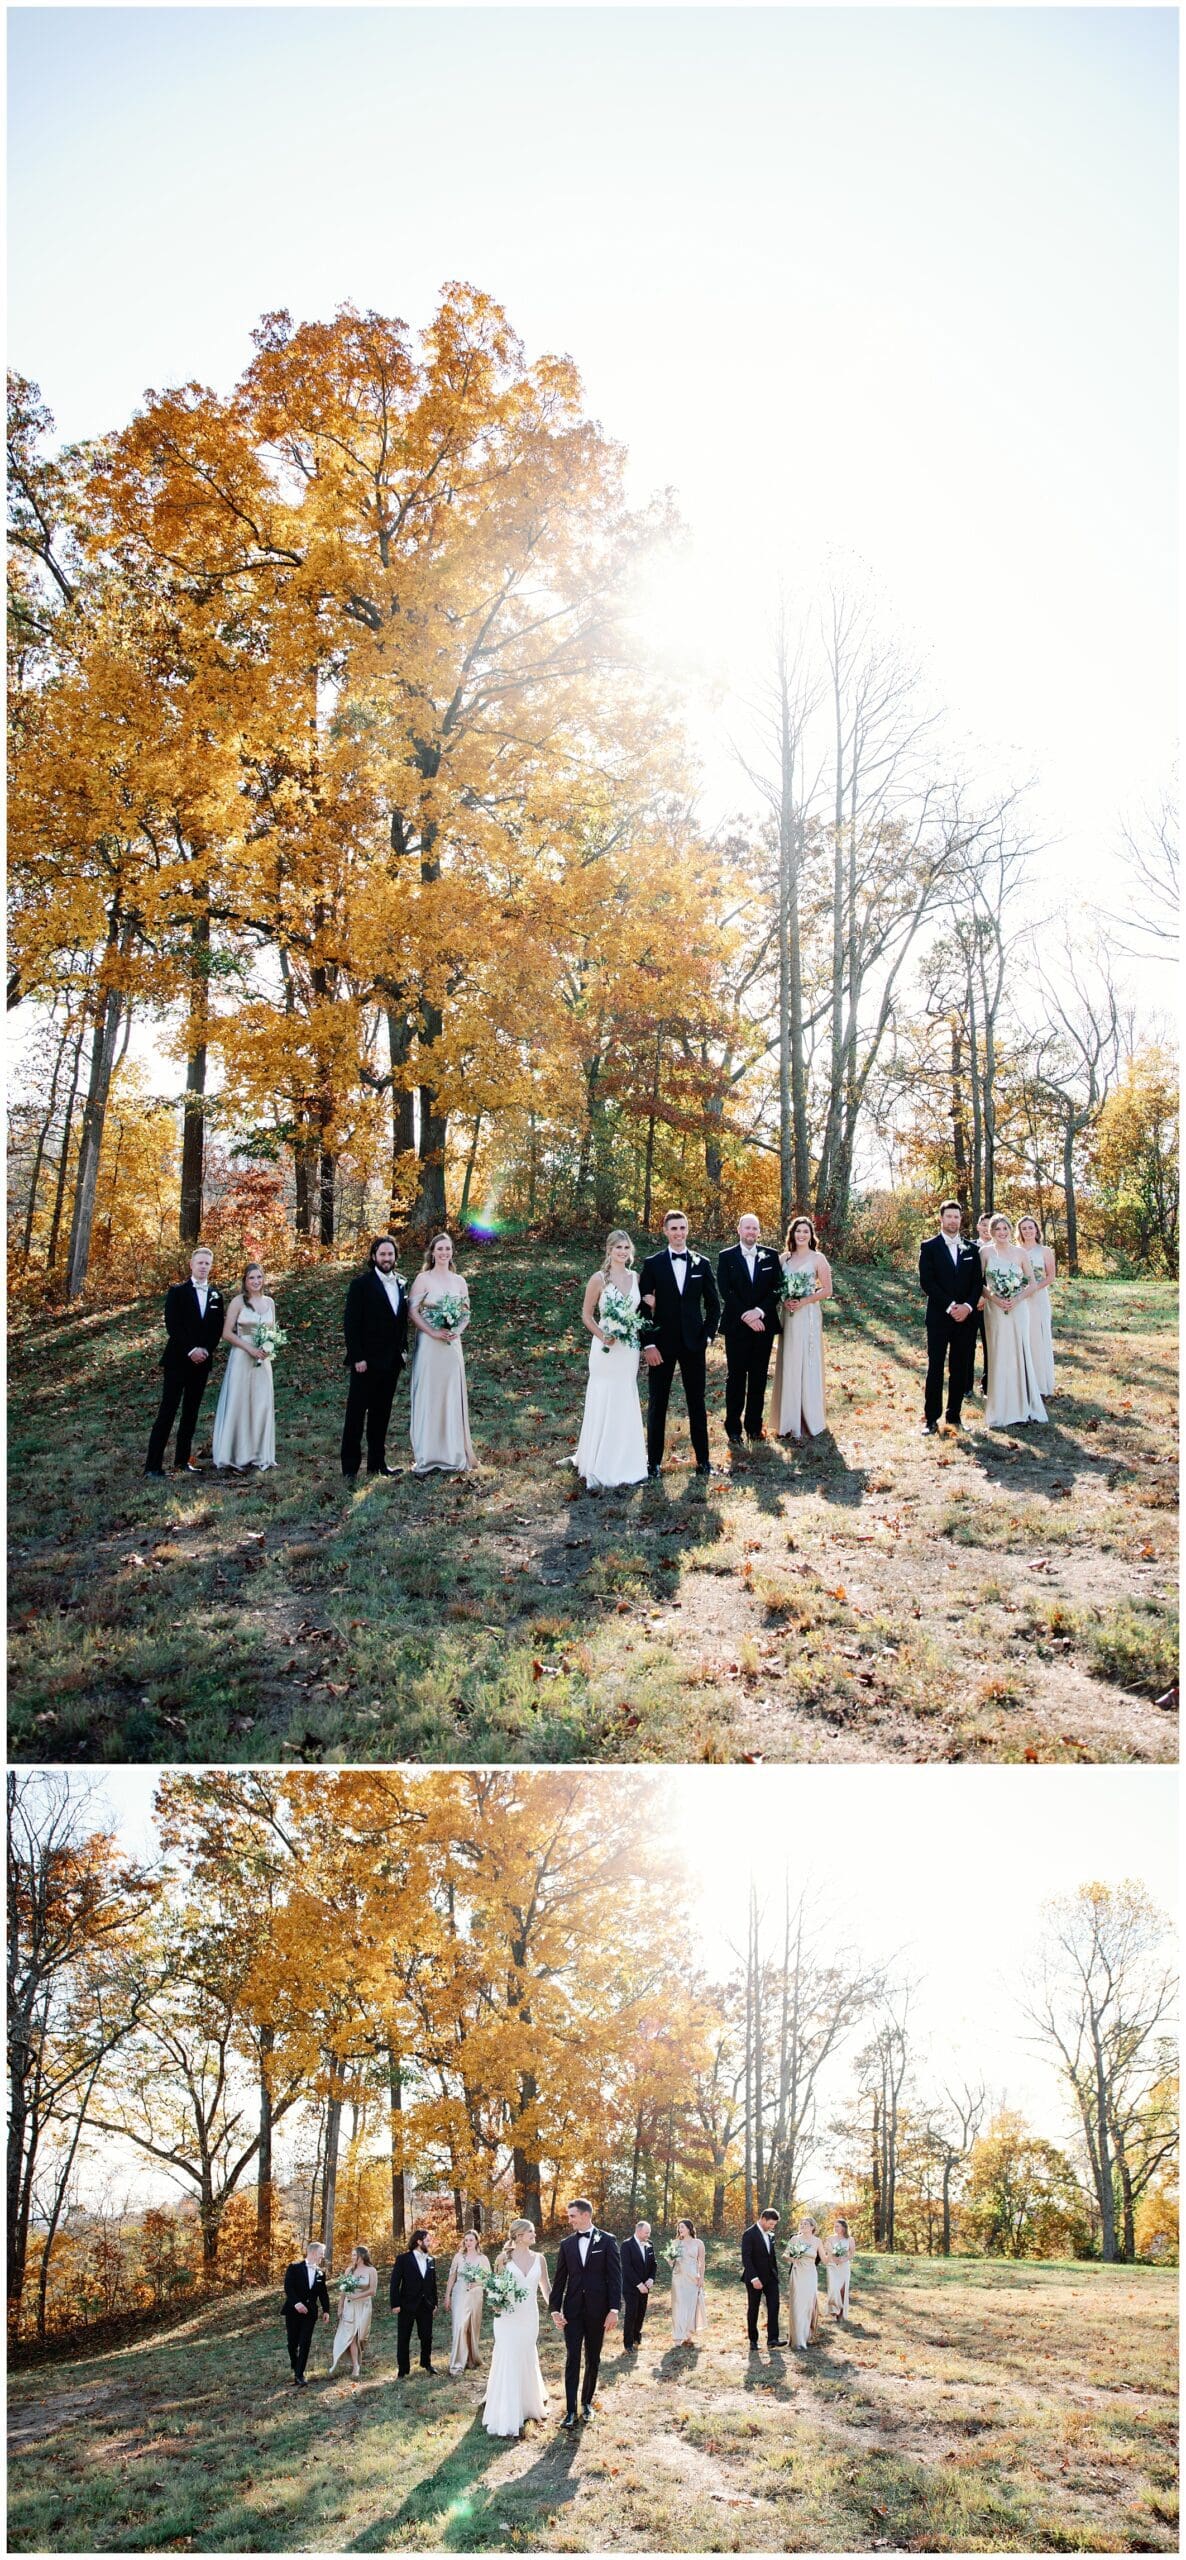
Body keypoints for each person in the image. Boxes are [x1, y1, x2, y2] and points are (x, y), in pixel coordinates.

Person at [638, 1211, 721, 1478]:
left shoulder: (702, 1263)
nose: (678, 1233)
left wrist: (708, 1336)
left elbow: (713, 1306)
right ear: (664, 1231)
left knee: (696, 1403)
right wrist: (648, 1344)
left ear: (688, 1229)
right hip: (661, 1345)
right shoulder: (652, 1264)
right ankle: (653, 1463)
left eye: (683, 1228)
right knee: (657, 1403)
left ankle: (704, 1461)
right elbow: (643, 1309)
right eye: (673, 1228)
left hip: (694, 1344)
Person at [573, 1230, 648, 1490]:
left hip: (628, 1348)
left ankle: (627, 1460)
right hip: (605, 1349)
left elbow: (644, 1310)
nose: (623, 1252)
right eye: (618, 1247)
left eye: (626, 1247)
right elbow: (586, 1315)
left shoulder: (636, 1277)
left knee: (625, 1395)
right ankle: (598, 1459)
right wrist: (602, 1335)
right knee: (604, 1395)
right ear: (609, 1250)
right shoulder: (598, 1279)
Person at [143, 1248, 225, 1476]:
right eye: (199, 1262)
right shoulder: (177, 1292)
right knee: (167, 1412)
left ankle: (181, 1462)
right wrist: (190, 1349)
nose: (203, 1266)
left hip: (201, 1363)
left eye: (207, 1263)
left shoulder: (216, 1295)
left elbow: (217, 1328)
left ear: (211, 1266)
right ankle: (152, 1466)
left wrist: (206, 1350)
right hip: (178, 1361)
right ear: (191, 1264)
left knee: (191, 1413)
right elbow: (173, 1325)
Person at [549, 2197, 622, 2427]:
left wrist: (613, 2309)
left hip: (598, 2312)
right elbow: (559, 2280)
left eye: (572, 2216)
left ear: (585, 2215)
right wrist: (554, 2310)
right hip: (572, 2312)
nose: (569, 2220)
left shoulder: (608, 2241)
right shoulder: (566, 2244)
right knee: (572, 2358)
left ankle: (587, 2403)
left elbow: (615, 2278)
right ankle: (570, 2410)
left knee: (593, 2357)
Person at [341, 1236, 409, 1481]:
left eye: (390, 1254)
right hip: (365, 1363)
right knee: (356, 1416)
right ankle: (350, 1468)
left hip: (390, 1363)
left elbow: (401, 1321)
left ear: (395, 1257)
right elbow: (351, 1324)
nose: (387, 1259)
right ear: (373, 1256)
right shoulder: (360, 1285)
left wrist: (403, 1349)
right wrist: (357, 1356)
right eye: (382, 1254)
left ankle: (377, 1464)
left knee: (381, 1415)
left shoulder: (401, 1283)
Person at [408, 1235, 476, 1474]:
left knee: (450, 1394)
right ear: (432, 1252)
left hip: (451, 1346)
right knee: (430, 1394)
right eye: (440, 1248)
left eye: (448, 1248)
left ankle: (453, 1452)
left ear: (452, 1252)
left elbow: (466, 1313)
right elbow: (413, 1311)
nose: (444, 1252)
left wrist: (455, 1330)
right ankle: (428, 1455)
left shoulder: (459, 1281)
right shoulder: (423, 1279)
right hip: (429, 1344)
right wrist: (433, 1331)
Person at [716, 1215, 784, 1448]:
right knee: (736, 1377)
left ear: (759, 1231)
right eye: (747, 1227)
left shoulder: (771, 1255)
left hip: (763, 1325)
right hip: (737, 1325)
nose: (751, 1231)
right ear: (739, 1229)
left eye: (755, 1228)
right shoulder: (726, 1256)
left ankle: (754, 1427)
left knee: (758, 1376)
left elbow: (777, 1288)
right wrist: (746, 1314)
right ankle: (733, 1428)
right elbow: (726, 1290)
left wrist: (759, 1312)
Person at [918, 1203, 983, 1435]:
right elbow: (927, 1282)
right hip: (939, 1316)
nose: (953, 1221)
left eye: (957, 1216)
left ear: (961, 1219)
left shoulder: (972, 1249)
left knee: (960, 1367)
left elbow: (978, 1283)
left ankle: (954, 1415)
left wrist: (966, 1307)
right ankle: (931, 1419)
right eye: (949, 1216)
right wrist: (950, 1306)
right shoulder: (929, 1247)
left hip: (965, 1318)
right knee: (935, 1367)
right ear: (941, 1219)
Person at [482, 2219, 551, 2436]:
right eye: (530, 2232)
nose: (534, 2234)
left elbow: (546, 2288)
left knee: (525, 2354)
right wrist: (495, 2302)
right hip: (507, 2318)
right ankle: (508, 2409)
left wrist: (557, 2310)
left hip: (529, 2317)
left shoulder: (540, 2259)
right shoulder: (503, 2259)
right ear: (519, 2236)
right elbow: (495, 2287)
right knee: (509, 2356)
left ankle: (527, 2404)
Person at [980, 1215, 1047, 1429]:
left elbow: (1032, 1283)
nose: (1002, 1232)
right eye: (997, 1229)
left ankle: (1023, 1406)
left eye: (1005, 1228)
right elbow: (978, 1283)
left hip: (1018, 1309)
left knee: (1019, 1351)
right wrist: (995, 1298)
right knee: (999, 1352)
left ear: (1010, 1230)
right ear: (991, 1232)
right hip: (995, 1310)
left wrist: (1016, 1299)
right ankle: (1000, 1407)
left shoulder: (1020, 1253)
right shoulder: (986, 1252)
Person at [211, 1263, 277, 1471]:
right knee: (239, 1402)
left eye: (259, 1277)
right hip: (242, 1356)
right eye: (251, 1278)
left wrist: (269, 1346)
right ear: (245, 1281)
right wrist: (249, 1348)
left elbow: (273, 1331)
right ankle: (235, 1452)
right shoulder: (238, 1302)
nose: (256, 1282)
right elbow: (227, 1333)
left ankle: (259, 1453)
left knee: (261, 1403)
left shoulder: (270, 1302)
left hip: (262, 1360)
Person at [771, 1216, 832, 1442]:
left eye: (806, 1231)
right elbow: (775, 1287)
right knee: (789, 1360)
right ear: (792, 1234)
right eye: (798, 1231)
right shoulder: (783, 1259)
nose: (802, 1235)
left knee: (807, 1360)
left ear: (811, 1235)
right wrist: (784, 1299)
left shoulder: (818, 1258)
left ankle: (809, 1417)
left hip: (808, 1315)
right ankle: (787, 1419)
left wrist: (804, 1300)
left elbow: (827, 1290)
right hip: (788, 1314)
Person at [282, 2239, 330, 2388]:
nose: (322, 2257)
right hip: (293, 2311)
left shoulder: (321, 2272)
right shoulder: (294, 2267)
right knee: (292, 2343)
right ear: (314, 2253)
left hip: (310, 2313)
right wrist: (296, 2303)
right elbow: (288, 2287)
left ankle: (299, 2374)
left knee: (305, 2342)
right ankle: (296, 2367)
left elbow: (323, 2293)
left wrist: (326, 2310)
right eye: (321, 2254)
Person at [390, 2226, 438, 2376]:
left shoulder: (431, 2260)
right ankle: (403, 2370)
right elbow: (394, 2282)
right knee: (404, 2338)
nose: (430, 2243)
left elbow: (432, 2283)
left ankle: (426, 2363)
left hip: (426, 2305)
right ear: (419, 2241)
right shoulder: (403, 2259)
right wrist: (395, 2303)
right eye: (427, 2240)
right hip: (406, 2305)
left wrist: (434, 2303)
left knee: (427, 2336)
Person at [1017, 1215, 1056, 1396]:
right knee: (1024, 1336)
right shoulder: (1016, 1251)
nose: (1028, 1231)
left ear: (1036, 1230)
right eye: (1024, 1228)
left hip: (1039, 1297)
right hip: (1020, 1298)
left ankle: (1041, 1383)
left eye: (1030, 1227)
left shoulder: (1045, 1250)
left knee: (1038, 1337)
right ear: (1020, 1231)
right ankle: (1024, 1382)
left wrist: (1034, 1288)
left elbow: (1050, 1276)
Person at [445, 2229, 491, 2376]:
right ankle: (457, 2363)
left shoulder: (483, 2258)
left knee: (472, 2326)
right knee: (459, 2326)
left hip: (476, 2295)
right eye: (466, 2240)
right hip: (459, 2293)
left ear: (477, 2241)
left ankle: (471, 2359)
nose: (468, 2243)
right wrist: (447, 2296)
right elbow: (452, 2277)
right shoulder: (458, 2257)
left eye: (471, 2240)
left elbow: (488, 2279)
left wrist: (477, 2284)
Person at [328, 2243, 378, 2379]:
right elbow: (344, 2291)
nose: (352, 2257)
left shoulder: (371, 2270)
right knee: (352, 2336)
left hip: (364, 2306)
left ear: (362, 2256)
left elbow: (373, 2291)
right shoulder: (349, 2270)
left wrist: (357, 2295)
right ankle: (355, 2365)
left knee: (361, 2336)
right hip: (349, 2306)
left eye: (354, 2255)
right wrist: (340, 2307)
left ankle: (357, 2358)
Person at [741, 2208, 782, 2349]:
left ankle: (773, 2339)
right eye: (770, 2224)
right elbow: (746, 2258)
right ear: (763, 2219)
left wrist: (775, 2274)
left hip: (771, 2278)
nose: (772, 2227)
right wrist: (754, 2278)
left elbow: (772, 2257)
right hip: (755, 2278)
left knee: (774, 2306)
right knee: (754, 2308)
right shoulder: (749, 2234)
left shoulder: (770, 2235)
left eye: (774, 2225)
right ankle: (753, 2340)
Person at [787, 2216, 823, 2350]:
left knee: (807, 2305)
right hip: (797, 2273)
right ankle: (797, 2340)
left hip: (811, 2275)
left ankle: (805, 2336)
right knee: (797, 2304)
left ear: (813, 2227)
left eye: (806, 2224)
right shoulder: (794, 2239)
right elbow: (785, 2255)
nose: (802, 2225)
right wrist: (793, 2259)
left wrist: (834, 2255)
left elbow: (824, 2259)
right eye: (801, 2223)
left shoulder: (818, 2241)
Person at [669, 2216, 707, 2345]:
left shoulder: (699, 2243)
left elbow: (702, 2262)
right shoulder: (675, 2243)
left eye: (682, 2227)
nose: (680, 2230)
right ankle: (677, 2336)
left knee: (691, 2305)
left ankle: (687, 2333)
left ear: (689, 2228)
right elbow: (670, 2262)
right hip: (678, 2277)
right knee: (678, 2305)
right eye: (679, 2228)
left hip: (693, 2277)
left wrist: (701, 2278)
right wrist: (670, 2256)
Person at [621, 2220, 657, 2351]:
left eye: (649, 2232)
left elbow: (654, 2264)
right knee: (631, 2313)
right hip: (631, 2287)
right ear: (638, 2231)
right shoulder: (626, 2245)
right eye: (647, 2232)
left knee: (641, 2312)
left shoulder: (650, 2244)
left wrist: (651, 2279)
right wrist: (638, 2284)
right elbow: (627, 2268)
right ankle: (628, 2343)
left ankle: (637, 2336)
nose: (649, 2235)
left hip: (646, 2287)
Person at [974, 1214, 994, 1392]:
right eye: (984, 1224)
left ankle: (988, 1382)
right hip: (971, 1304)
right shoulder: (969, 1246)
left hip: (993, 1303)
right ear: (978, 1226)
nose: (987, 1229)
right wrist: (976, 1297)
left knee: (991, 1344)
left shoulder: (1000, 1249)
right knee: (968, 1344)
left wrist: (986, 1296)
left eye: (991, 1225)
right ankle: (966, 1384)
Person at [824, 2217, 853, 2321]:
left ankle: (840, 2313)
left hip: (844, 2266)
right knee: (833, 2288)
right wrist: (834, 2258)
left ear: (844, 2228)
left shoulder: (850, 2239)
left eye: (837, 2226)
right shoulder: (830, 2238)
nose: (835, 2228)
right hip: (832, 2266)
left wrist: (843, 2259)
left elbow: (851, 2254)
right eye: (834, 2226)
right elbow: (827, 2252)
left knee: (842, 2289)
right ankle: (833, 2311)